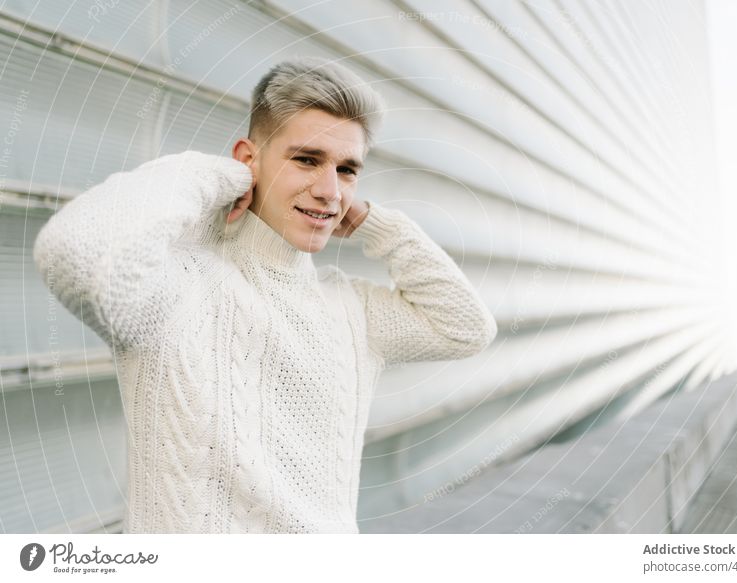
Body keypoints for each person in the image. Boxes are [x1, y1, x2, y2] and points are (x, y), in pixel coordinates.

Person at [33, 56, 497, 534]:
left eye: (348, 170)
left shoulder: (354, 311)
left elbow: (465, 327)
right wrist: (218, 177)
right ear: (249, 159)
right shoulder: (173, 287)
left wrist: (374, 222)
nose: (329, 190)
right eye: (307, 159)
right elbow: (76, 252)